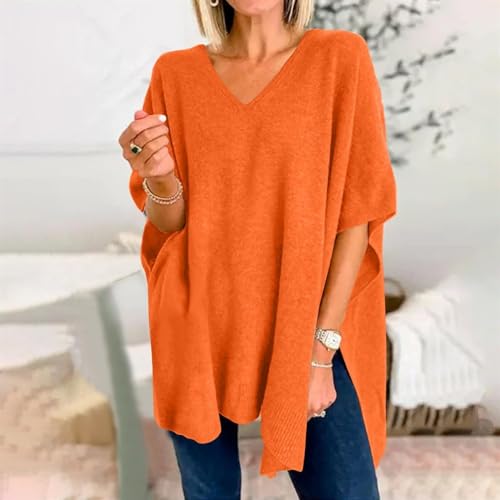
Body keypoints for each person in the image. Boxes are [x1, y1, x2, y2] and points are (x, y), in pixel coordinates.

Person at [118, 0, 397, 498]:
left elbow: (357, 216)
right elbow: (169, 222)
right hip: (196, 327)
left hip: (306, 327)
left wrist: (320, 354)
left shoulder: (339, 58)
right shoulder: (175, 74)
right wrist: (158, 176)